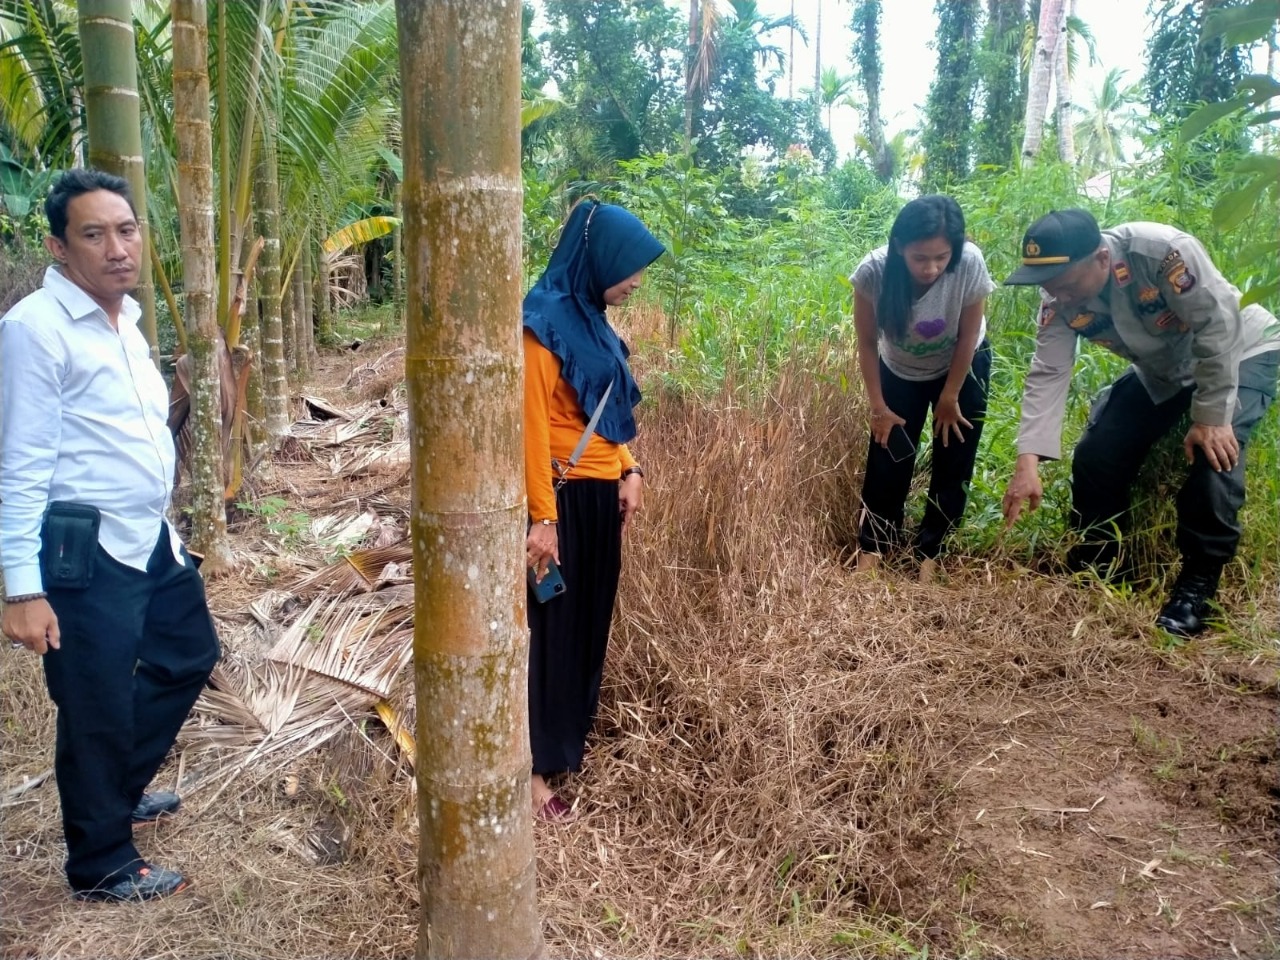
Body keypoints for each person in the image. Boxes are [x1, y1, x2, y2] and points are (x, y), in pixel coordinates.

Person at [0, 169, 220, 901]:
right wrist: (21, 587)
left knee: (189, 654)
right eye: (94, 234)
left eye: (126, 230)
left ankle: (114, 788)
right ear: (60, 247)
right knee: (94, 701)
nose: (117, 248)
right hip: (81, 550)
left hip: (146, 536)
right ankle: (101, 862)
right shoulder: (34, 329)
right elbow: (20, 466)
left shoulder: (124, 320)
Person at [1001, 208, 1280, 636]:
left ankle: (1197, 587)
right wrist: (1028, 461)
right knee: (1097, 454)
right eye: (1049, 287)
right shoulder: (1059, 294)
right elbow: (1048, 372)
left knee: (1214, 457)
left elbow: (1218, 322)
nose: (1060, 297)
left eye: (1067, 285)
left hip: (1240, 351)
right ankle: (1099, 562)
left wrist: (1211, 416)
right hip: (1163, 368)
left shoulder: (1161, 253)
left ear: (1100, 258)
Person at [522, 199, 664, 821]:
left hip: (603, 497)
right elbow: (528, 427)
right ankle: (528, 773)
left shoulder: (593, 321)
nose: (636, 281)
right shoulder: (542, 322)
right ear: (599, 259)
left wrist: (630, 467)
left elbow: (604, 412)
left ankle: (563, 745)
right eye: (630, 268)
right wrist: (541, 517)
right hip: (562, 501)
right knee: (550, 631)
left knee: (587, 622)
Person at [851, 195, 996, 582]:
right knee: (889, 454)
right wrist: (878, 406)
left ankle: (931, 551)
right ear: (900, 247)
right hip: (899, 370)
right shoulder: (873, 272)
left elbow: (968, 336)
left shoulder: (970, 263)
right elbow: (866, 343)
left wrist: (951, 396)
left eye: (941, 257)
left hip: (962, 366)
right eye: (920, 258)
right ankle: (874, 547)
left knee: (955, 455)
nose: (931, 268)